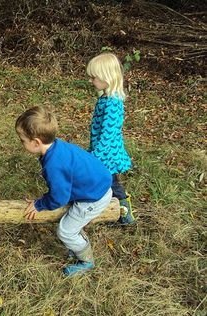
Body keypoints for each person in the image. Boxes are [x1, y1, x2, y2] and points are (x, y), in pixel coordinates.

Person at [16, 106, 113, 276]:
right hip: (97, 184)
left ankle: (86, 261)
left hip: (95, 197)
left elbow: (59, 197)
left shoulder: (54, 165)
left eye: (22, 140)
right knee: (70, 225)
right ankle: (77, 244)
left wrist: (39, 204)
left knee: (65, 231)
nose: (21, 143)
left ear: (36, 142)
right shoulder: (57, 146)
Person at [86, 53, 134, 225]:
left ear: (107, 77)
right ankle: (111, 210)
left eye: (94, 77)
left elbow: (107, 135)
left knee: (111, 184)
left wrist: (94, 157)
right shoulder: (105, 99)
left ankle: (125, 215)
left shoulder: (113, 103)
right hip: (102, 151)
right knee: (108, 183)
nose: (91, 81)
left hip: (108, 154)